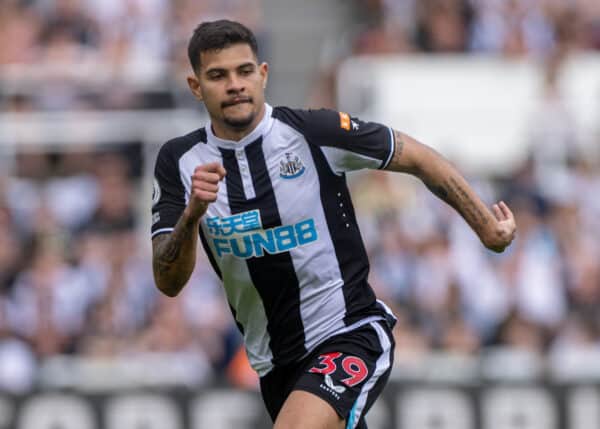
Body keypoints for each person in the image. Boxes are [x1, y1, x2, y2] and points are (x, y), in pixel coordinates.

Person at [151, 19, 516, 429]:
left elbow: (417, 156)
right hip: (274, 365)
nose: (235, 84)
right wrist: (191, 216)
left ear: (263, 74)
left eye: (244, 71)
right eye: (218, 75)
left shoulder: (313, 133)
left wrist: (486, 225)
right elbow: (168, 280)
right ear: (196, 86)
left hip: (349, 332)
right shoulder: (178, 162)